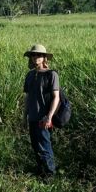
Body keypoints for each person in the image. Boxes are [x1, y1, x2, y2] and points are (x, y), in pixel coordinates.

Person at [23, 44, 60, 178]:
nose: (36, 57)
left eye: (39, 55)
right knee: (35, 146)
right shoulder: (30, 75)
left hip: (44, 118)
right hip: (32, 117)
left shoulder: (52, 74)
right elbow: (28, 97)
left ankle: (50, 175)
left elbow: (56, 97)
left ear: (44, 58)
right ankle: (41, 172)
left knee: (45, 146)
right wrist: (24, 115)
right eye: (33, 55)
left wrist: (49, 116)